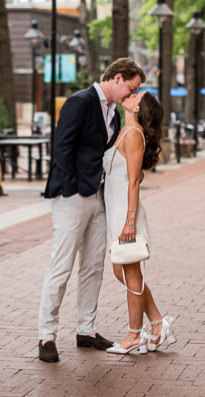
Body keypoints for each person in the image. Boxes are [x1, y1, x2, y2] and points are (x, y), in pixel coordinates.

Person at [37, 57, 145, 363]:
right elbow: (62, 148)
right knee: (62, 265)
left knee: (94, 267)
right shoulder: (80, 101)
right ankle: (47, 335)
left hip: (99, 200)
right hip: (72, 196)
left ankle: (87, 329)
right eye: (132, 88)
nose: (131, 95)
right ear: (118, 77)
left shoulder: (113, 112)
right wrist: (73, 188)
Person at [101, 91, 177, 354]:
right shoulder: (125, 131)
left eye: (136, 95)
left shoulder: (134, 135)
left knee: (131, 274)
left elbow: (133, 180)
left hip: (126, 212)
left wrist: (130, 220)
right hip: (117, 210)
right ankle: (157, 323)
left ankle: (135, 334)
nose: (130, 95)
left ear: (137, 109)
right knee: (121, 272)